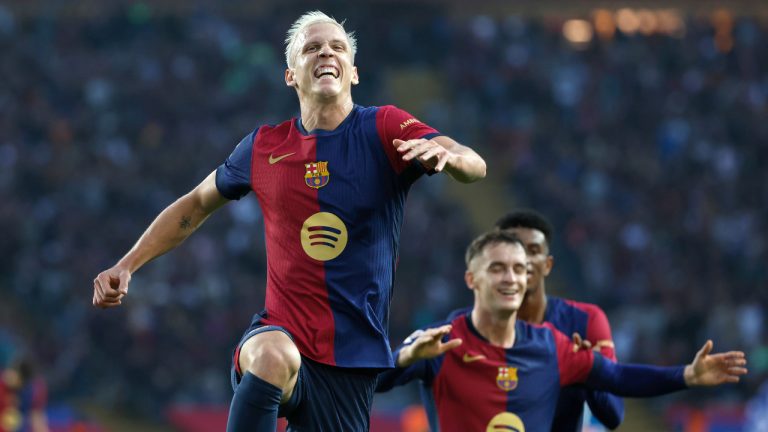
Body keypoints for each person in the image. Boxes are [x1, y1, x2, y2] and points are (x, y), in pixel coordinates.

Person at [91, 10, 486, 432]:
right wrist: (126, 264)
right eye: (311, 48)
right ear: (290, 76)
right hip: (280, 335)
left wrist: (452, 159)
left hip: (352, 359)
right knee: (272, 356)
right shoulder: (263, 146)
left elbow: (474, 164)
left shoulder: (385, 127)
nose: (325, 53)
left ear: (353, 72)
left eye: (337, 47)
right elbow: (193, 206)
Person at [376, 230, 747, 432]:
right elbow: (372, 381)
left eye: (519, 269)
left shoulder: (552, 346)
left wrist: (686, 375)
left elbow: (617, 376)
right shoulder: (441, 341)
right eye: (498, 269)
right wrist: (406, 357)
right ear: (472, 279)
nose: (511, 278)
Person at [495, 209, 623, 431]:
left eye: (532, 251)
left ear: (547, 264)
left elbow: (614, 415)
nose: (523, 259)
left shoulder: (585, 321)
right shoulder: (466, 328)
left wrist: (590, 371)